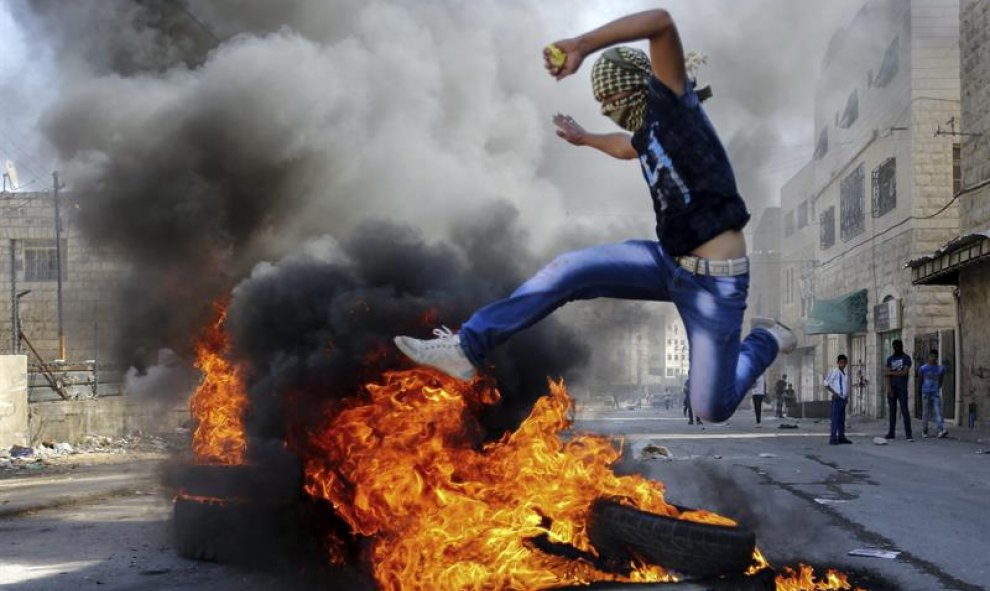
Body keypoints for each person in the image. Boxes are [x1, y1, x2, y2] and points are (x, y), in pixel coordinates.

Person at [393, 8, 796, 423]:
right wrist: (585, 138)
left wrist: (581, 45)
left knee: (711, 407)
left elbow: (660, 21)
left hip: (716, 283)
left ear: (636, 86)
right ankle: (467, 347)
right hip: (667, 263)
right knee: (569, 270)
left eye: (612, 100)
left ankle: (765, 339)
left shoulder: (674, 105)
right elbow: (626, 146)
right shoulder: (648, 132)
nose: (608, 110)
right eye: (602, 106)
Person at [884, 339, 913, 440]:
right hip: (892, 388)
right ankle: (891, 433)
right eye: (895, 346)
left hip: (902, 388)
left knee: (905, 410)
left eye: (899, 346)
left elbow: (904, 372)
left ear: (902, 346)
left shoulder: (906, 358)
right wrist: (888, 389)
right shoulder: (890, 359)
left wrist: (891, 372)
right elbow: (886, 376)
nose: (897, 348)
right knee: (892, 412)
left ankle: (908, 433)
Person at [918, 350, 948, 439]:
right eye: (931, 356)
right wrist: (921, 390)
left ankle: (940, 430)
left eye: (935, 357)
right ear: (928, 357)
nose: (933, 358)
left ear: (937, 357)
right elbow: (920, 380)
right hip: (926, 392)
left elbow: (941, 379)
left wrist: (938, 387)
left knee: (938, 412)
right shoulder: (923, 368)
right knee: (925, 413)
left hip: (935, 392)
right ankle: (924, 430)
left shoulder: (940, 368)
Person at [824, 355, 852, 445]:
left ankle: (841, 436)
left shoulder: (845, 373)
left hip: (843, 398)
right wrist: (834, 393)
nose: (843, 364)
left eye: (844, 362)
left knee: (842, 419)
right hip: (837, 399)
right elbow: (826, 384)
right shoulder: (835, 372)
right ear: (838, 363)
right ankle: (833, 437)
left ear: (846, 363)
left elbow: (844, 386)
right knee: (835, 418)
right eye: (841, 362)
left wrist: (846, 396)